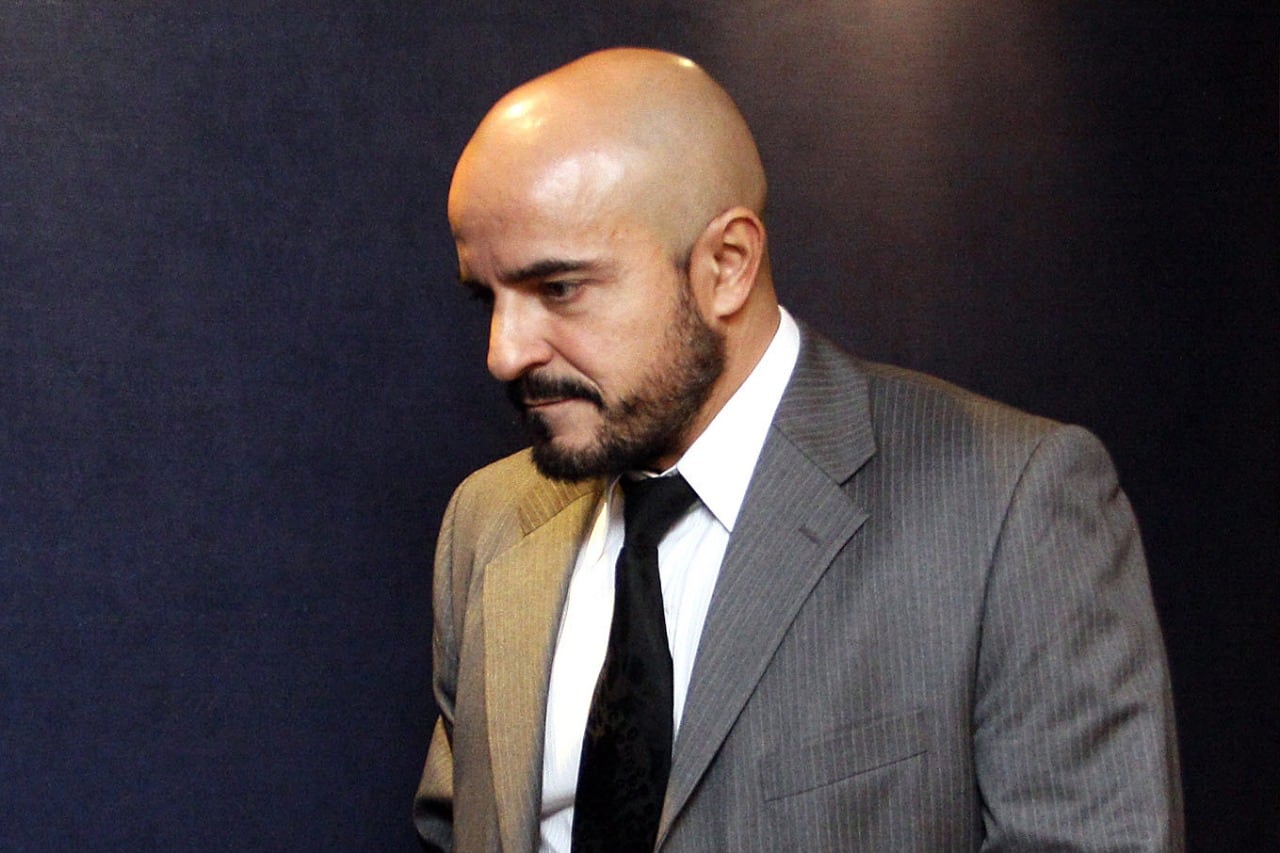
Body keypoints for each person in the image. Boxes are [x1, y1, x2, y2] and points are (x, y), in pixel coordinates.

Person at [414, 47, 1183, 852]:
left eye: (559, 288)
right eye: (486, 297)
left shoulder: (1011, 505)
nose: (504, 352)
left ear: (727, 265)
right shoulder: (486, 520)